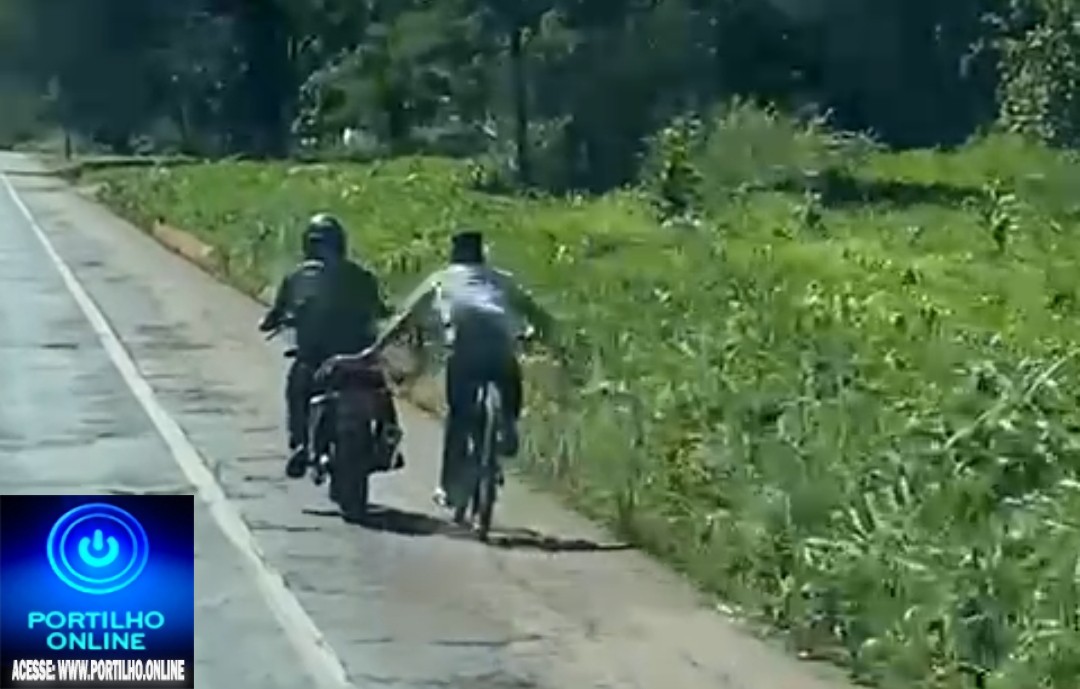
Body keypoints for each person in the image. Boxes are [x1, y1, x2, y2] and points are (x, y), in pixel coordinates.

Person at [319, 229, 557, 510]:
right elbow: (537, 314)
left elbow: (404, 318)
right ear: (482, 255)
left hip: (465, 349)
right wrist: (547, 339)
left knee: (458, 418)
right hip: (500, 344)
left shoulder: (442, 279)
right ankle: (507, 425)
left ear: (453, 254)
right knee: (508, 376)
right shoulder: (500, 279)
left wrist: (374, 351)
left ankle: (449, 488)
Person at [259, 213, 402, 478]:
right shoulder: (362, 275)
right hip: (358, 357)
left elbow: (275, 315)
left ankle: (301, 443)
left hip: (315, 358)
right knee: (381, 388)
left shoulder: (297, 277)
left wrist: (272, 322)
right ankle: (388, 439)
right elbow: (381, 310)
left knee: (297, 386)